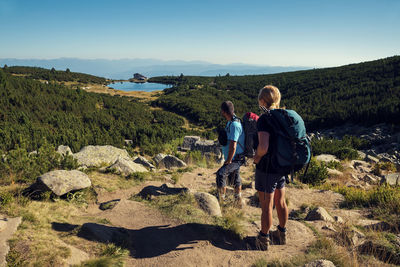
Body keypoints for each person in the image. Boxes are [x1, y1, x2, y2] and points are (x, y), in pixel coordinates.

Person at [253, 85, 289, 251]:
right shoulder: (283, 116)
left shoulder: (264, 119)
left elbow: (263, 146)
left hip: (267, 168)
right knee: (280, 202)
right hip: (282, 166)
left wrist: (257, 157)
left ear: (262, 101)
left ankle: (263, 239)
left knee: (266, 206)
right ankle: (281, 234)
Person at [216, 101, 245, 207]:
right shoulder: (231, 121)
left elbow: (233, 145)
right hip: (235, 157)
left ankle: (221, 201)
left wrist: (228, 160)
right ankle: (238, 200)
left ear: (224, 112)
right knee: (235, 176)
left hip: (236, 158)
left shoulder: (234, 125)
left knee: (221, 174)